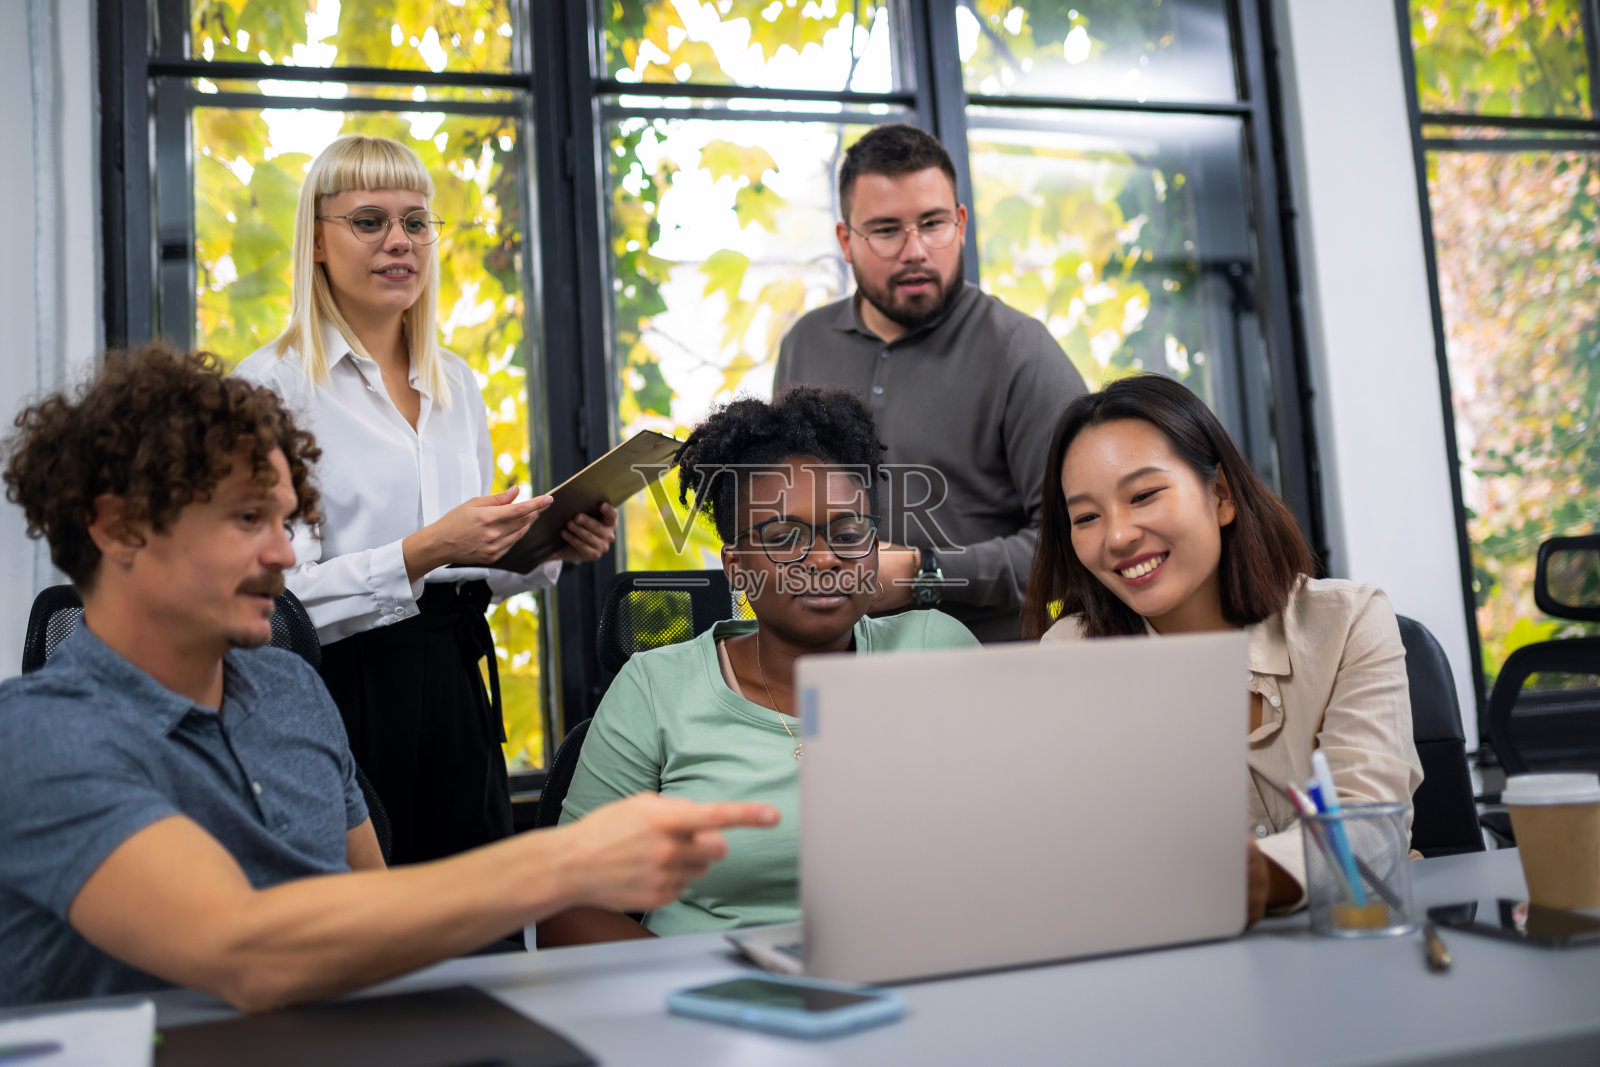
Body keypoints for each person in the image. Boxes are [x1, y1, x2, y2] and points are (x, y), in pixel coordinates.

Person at [0, 346, 777, 1010]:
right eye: (247, 520)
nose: (281, 555)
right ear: (117, 527)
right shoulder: (39, 736)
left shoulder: (288, 689)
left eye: (284, 520)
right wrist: (567, 863)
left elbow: (370, 909)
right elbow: (246, 949)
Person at [235, 134, 617, 865]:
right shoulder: (272, 386)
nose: (399, 241)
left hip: (452, 679)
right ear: (316, 240)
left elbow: (473, 571)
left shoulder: (455, 383)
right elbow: (275, 602)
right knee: (368, 938)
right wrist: (427, 549)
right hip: (339, 689)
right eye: (369, 221)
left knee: (477, 921)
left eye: (415, 221)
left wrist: (543, 546)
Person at [538, 386, 978, 946]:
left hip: (912, 984)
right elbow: (567, 905)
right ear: (737, 568)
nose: (822, 559)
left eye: (847, 534)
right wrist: (710, 991)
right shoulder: (656, 688)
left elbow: (1017, 842)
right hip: (708, 1006)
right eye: (782, 539)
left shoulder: (933, 651)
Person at [1020, 373, 1423, 921]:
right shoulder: (1070, 657)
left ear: (1221, 495)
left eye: (1143, 495)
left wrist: (1252, 877)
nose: (1116, 537)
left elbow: (1372, 826)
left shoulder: (1348, 623)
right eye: (1086, 517)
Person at [775, 123, 1087, 642]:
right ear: (845, 240)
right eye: (886, 229)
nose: (915, 249)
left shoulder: (1021, 349)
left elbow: (1076, 542)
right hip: (827, 661)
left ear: (961, 224)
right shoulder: (804, 343)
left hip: (984, 666)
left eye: (933, 223)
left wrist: (928, 574)